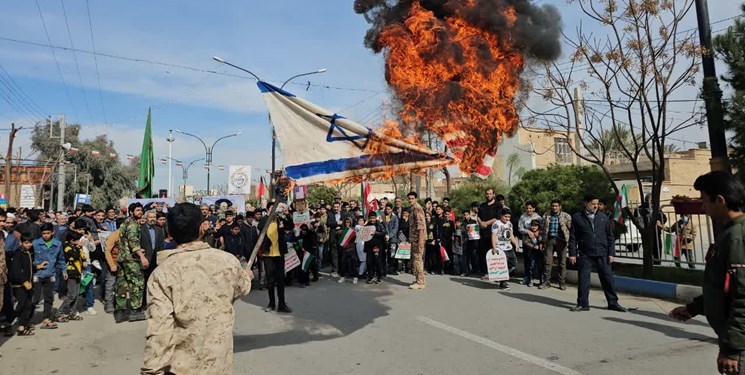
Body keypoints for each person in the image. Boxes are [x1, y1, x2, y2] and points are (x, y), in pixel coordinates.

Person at [142, 203, 252, 375]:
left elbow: (159, 332)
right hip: (218, 366)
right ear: (202, 228)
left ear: (169, 232)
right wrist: (246, 275)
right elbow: (243, 288)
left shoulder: (162, 273)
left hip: (181, 368)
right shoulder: (228, 262)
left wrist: (151, 371)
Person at [669, 172, 745, 375]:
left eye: (704, 201)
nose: (703, 208)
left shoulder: (737, 238)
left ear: (720, 200)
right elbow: (723, 287)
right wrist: (694, 308)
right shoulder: (730, 233)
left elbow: (742, 298)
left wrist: (732, 350)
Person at [568, 195, 627, 313]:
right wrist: (572, 253)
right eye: (593, 203)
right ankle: (583, 304)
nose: (595, 206)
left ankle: (613, 303)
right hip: (585, 253)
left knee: (607, 279)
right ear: (586, 203)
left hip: (602, 253)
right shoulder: (577, 217)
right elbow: (573, 237)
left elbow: (610, 236)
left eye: (597, 203)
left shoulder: (603, 217)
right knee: (583, 279)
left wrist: (611, 253)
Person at [115, 202, 147, 323]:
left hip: (122, 258)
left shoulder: (125, 222)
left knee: (122, 285)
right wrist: (141, 256)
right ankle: (135, 311)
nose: (140, 212)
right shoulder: (133, 224)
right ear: (131, 211)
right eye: (138, 210)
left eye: (141, 210)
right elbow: (133, 241)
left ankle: (120, 311)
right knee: (137, 284)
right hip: (131, 260)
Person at [258, 203, 293, 313]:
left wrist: (286, 215)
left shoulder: (280, 219)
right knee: (270, 280)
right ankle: (271, 303)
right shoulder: (265, 220)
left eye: (276, 208)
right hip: (268, 254)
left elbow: (290, 226)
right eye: (272, 209)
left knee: (281, 279)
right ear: (268, 210)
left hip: (279, 253)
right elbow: (260, 226)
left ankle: (282, 304)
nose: (275, 211)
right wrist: (268, 216)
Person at [32, 222, 65, 327]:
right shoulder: (35, 243)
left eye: (48, 233)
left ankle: (46, 318)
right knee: (35, 298)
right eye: (43, 233)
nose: (45, 235)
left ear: (53, 232)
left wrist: (64, 271)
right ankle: (26, 319)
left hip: (50, 274)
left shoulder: (58, 244)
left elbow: (61, 259)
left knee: (49, 297)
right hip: (37, 274)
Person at [57, 220, 88, 322]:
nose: (79, 241)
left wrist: (83, 259)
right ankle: (59, 313)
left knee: (76, 294)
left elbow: (82, 256)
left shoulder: (75, 247)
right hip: (71, 273)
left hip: (78, 272)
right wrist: (79, 247)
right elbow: (74, 256)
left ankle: (73, 313)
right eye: (77, 240)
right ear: (71, 240)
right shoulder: (67, 247)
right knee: (71, 295)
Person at [540, 199, 572, 290]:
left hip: (561, 241)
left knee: (562, 263)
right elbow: (542, 229)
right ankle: (546, 281)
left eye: (556, 206)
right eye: (553, 206)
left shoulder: (566, 216)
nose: (554, 207)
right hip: (549, 240)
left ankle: (562, 282)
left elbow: (570, 229)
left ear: (560, 206)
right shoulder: (546, 215)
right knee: (547, 262)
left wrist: (570, 241)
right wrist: (541, 241)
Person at [8, 235, 36, 336]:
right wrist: (24, 282)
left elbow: (28, 267)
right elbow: (16, 271)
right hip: (19, 285)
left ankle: (22, 326)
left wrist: (37, 267)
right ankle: (10, 323)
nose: (28, 245)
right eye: (26, 243)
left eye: (30, 242)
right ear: (21, 243)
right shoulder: (18, 253)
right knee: (21, 305)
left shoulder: (28, 252)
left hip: (28, 284)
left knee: (28, 305)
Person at [491, 208, 519, 290]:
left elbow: (511, 235)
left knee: (514, 266)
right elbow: (494, 236)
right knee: (503, 266)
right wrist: (494, 247)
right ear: (501, 216)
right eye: (505, 216)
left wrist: (516, 244)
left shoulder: (509, 224)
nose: (507, 218)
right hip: (500, 248)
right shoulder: (496, 224)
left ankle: (501, 278)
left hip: (509, 247)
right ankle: (503, 282)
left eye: (509, 217)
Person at [477, 189, 502, 277]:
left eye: (490, 194)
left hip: (493, 233)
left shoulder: (498, 205)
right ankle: (486, 272)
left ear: (493, 195)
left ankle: (495, 272)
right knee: (484, 252)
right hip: (483, 233)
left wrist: (486, 223)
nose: (488, 195)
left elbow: (497, 217)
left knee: (493, 251)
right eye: (487, 194)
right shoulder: (482, 205)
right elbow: (478, 217)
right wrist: (481, 223)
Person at [518, 201, 542, 286]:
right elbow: (520, 228)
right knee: (527, 261)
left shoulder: (538, 217)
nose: (529, 210)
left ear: (534, 209)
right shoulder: (523, 217)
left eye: (530, 208)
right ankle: (527, 278)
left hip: (537, 242)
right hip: (527, 242)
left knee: (537, 262)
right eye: (527, 208)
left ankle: (539, 279)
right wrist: (528, 232)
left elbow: (541, 227)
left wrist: (538, 232)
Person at [408, 192, 427, 289]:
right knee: (415, 260)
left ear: (416, 199)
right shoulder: (413, 208)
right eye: (409, 198)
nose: (410, 200)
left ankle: (420, 282)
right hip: (414, 238)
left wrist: (420, 240)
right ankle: (417, 279)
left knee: (418, 260)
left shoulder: (416, 208)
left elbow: (421, 226)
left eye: (412, 198)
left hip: (417, 239)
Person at [365, 212, 387, 284]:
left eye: (373, 218)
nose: (372, 219)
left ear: (376, 217)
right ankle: (370, 276)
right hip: (369, 246)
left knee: (377, 261)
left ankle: (379, 277)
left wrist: (376, 233)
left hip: (377, 246)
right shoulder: (367, 225)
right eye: (371, 218)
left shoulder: (379, 224)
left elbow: (384, 233)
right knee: (369, 262)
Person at [523, 219, 546, 287]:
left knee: (540, 266)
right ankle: (531, 280)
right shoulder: (529, 233)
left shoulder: (541, 233)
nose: (534, 227)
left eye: (536, 226)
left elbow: (544, 240)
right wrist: (533, 246)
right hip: (532, 251)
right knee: (531, 266)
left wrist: (541, 243)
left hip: (540, 252)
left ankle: (541, 280)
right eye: (533, 226)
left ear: (538, 226)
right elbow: (525, 242)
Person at [337, 218, 359, 284]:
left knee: (353, 264)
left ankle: (355, 277)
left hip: (351, 249)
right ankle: (342, 277)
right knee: (343, 264)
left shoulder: (353, 230)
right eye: (346, 222)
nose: (347, 224)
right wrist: (338, 233)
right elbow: (338, 239)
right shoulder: (342, 230)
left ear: (351, 223)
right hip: (344, 249)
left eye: (348, 222)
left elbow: (356, 239)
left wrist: (354, 234)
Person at [382, 203, 399, 276]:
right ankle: (385, 269)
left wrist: (390, 235)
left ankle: (392, 269)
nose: (387, 210)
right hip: (384, 239)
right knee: (385, 255)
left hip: (392, 240)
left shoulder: (395, 218)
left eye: (389, 209)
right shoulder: (383, 216)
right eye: (386, 209)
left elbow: (395, 229)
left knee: (392, 254)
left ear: (391, 209)